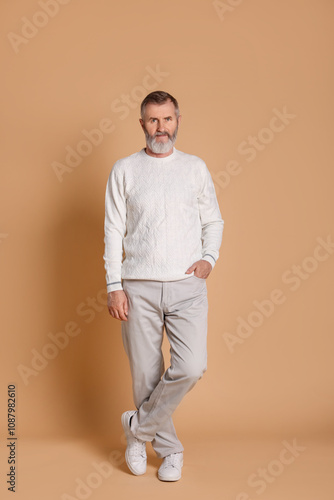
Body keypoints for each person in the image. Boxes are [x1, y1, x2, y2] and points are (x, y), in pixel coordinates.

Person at [103, 90, 224, 481]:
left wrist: (209, 259)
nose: (161, 127)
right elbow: (113, 231)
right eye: (153, 120)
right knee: (145, 373)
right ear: (142, 124)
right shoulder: (124, 169)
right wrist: (114, 284)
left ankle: (137, 429)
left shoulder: (194, 168)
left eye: (167, 119)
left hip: (186, 287)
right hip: (137, 286)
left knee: (191, 366)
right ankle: (170, 450)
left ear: (178, 121)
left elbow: (213, 221)